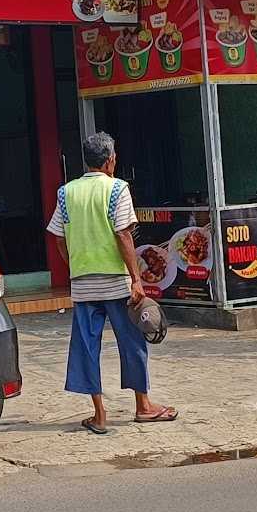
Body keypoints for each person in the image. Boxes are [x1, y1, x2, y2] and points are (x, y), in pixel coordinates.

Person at [46, 131, 176, 433]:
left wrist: (74, 265)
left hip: (83, 283)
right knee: (132, 343)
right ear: (110, 160)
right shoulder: (117, 189)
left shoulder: (66, 193)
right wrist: (136, 279)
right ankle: (144, 406)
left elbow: (57, 237)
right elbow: (123, 234)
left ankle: (99, 414)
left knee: (86, 347)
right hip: (117, 283)